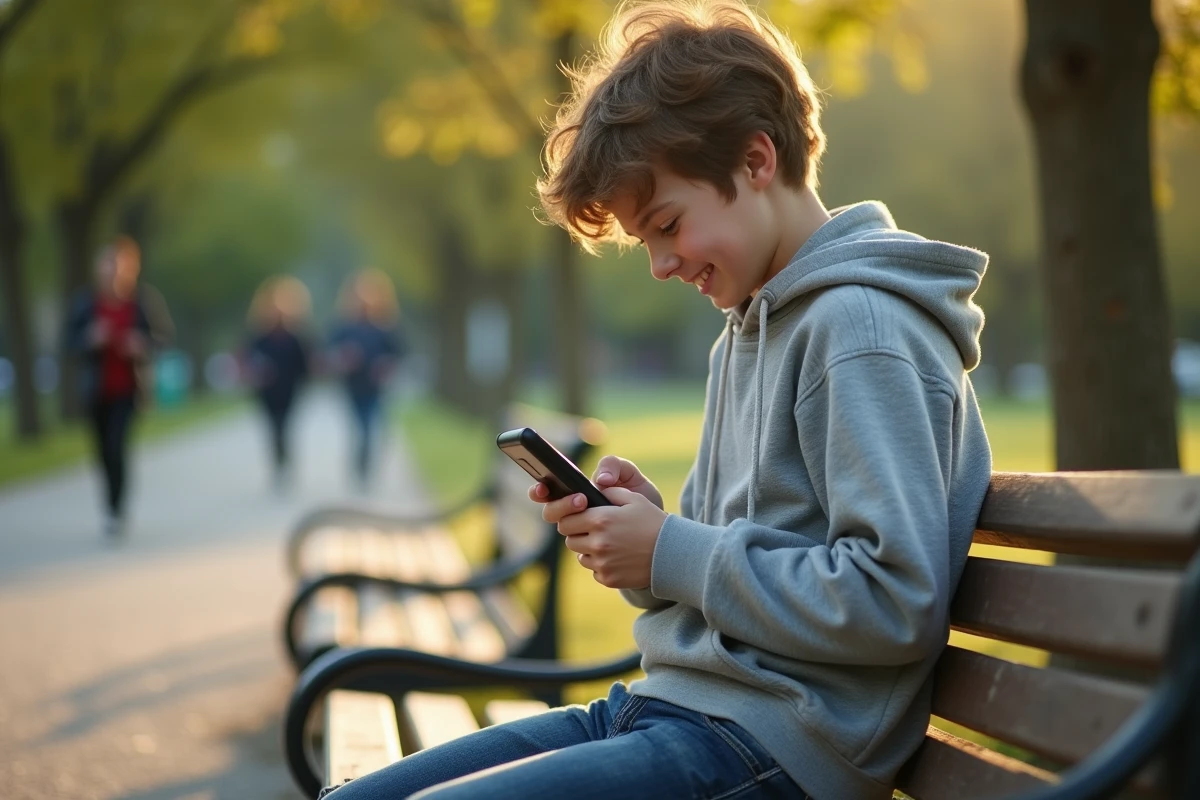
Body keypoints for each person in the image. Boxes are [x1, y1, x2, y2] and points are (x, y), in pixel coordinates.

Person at [319, 2, 991, 798]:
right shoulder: (748, 327)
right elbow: (738, 557)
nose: (662, 265)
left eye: (668, 225)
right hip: (673, 706)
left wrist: (673, 549)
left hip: (772, 745)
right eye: (648, 241)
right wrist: (645, 541)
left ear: (755, 160)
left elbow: (891, 601)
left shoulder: (860, 329)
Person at [66, 235, 172, 539]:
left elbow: (163, 338)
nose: (113, 270)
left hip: (129, 390)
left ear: (132, 269)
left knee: (117, 447)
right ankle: (109, 505)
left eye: (119, 264)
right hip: (96, 391)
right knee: (102, 454)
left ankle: (117, 511)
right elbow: (68, 344)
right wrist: (89, 340)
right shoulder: (85, 303)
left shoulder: (143, 301)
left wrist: (142, 344)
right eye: (107, 263)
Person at [327, 268, 404, 491]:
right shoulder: (344, 327)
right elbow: (328, 355)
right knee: (360, 428)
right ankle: (360, 466)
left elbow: (398, 355)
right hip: (352, 387)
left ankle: (366, 468)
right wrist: (343, 359)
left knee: (372, 428)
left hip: (377, 388)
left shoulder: (386, 327)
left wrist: (386, 366)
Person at [242, 276, 313, 492]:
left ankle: (285, 463)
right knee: (273, 431)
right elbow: (247, 361)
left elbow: (305, 367)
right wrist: (257, 373)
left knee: (285, 428)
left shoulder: (296, 338)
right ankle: (278, 465)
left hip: (290, 391)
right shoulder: (259, 338)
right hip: (266, 393)